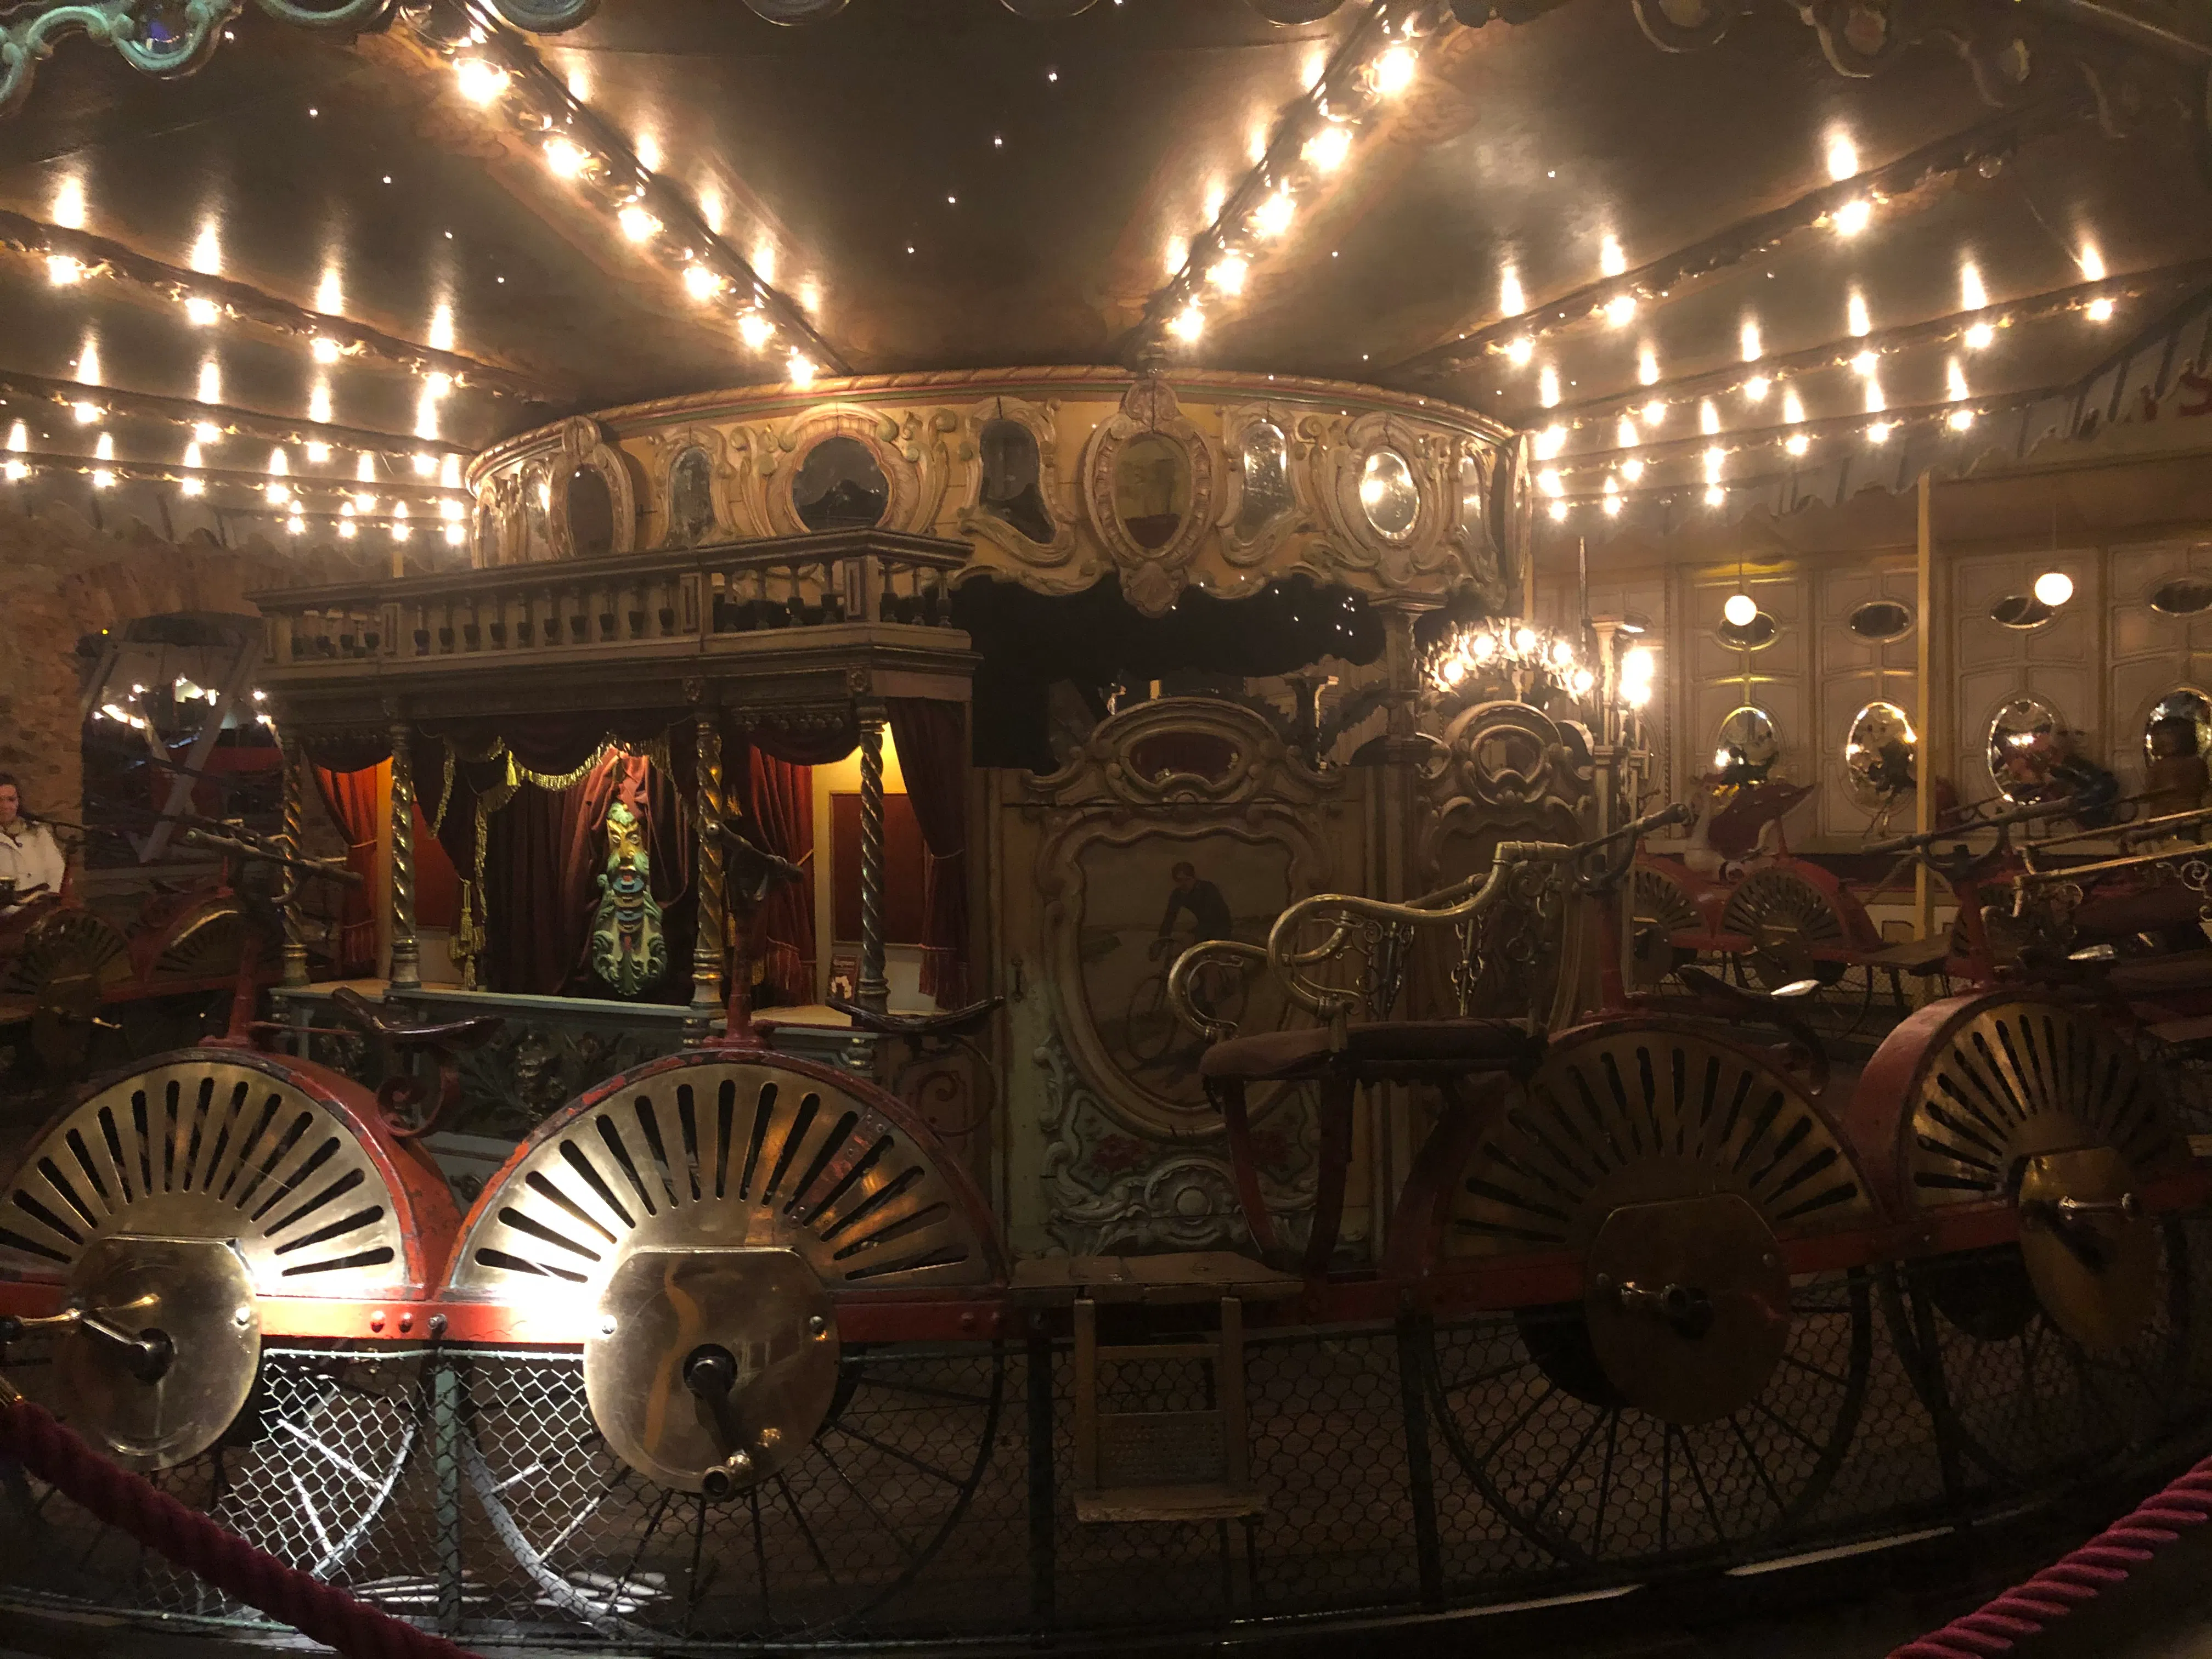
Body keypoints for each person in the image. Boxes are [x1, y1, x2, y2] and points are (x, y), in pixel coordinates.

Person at [0, 775, 66, 915]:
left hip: (43, 913)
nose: (5, 806)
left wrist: (47, 905)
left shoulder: (38, 833)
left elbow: (56, 871)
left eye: (11, 800)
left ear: (18, 802)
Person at [1153, 861, 1233, 955]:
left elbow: (1213, 917)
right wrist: (1161, 942)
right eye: (1179, 881)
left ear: (1194, 878)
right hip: (1203, 927)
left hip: (1221, 926)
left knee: (1209, 958)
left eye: (1187, 880)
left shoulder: (1207, 889)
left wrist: (1194, 935)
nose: (1184, 884)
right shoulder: (1178, 894)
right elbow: (1169, 919)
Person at [2147, 715, 2209, 815]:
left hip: (2170, 817)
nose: (2158, 738)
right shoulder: (2198, 763)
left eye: (2167, 733)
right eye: (2158, 734)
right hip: (2193, 815)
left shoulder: (2162, 766)